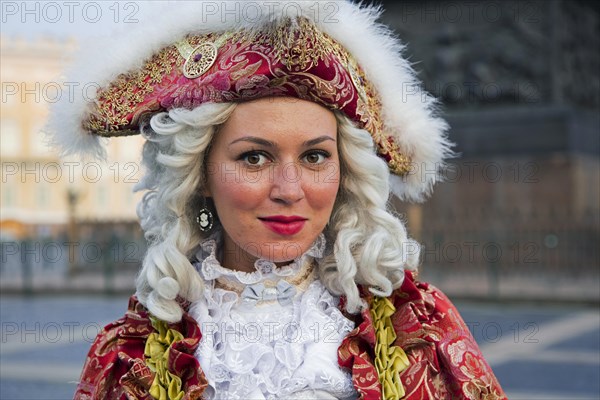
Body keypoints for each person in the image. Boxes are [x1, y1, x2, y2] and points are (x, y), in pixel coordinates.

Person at [47, 1, 506, 399]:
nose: (289, 189)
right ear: (201, 174)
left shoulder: (416, 328)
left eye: (314, 156)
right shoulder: (135, 353)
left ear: (344, 170)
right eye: (254, 158)